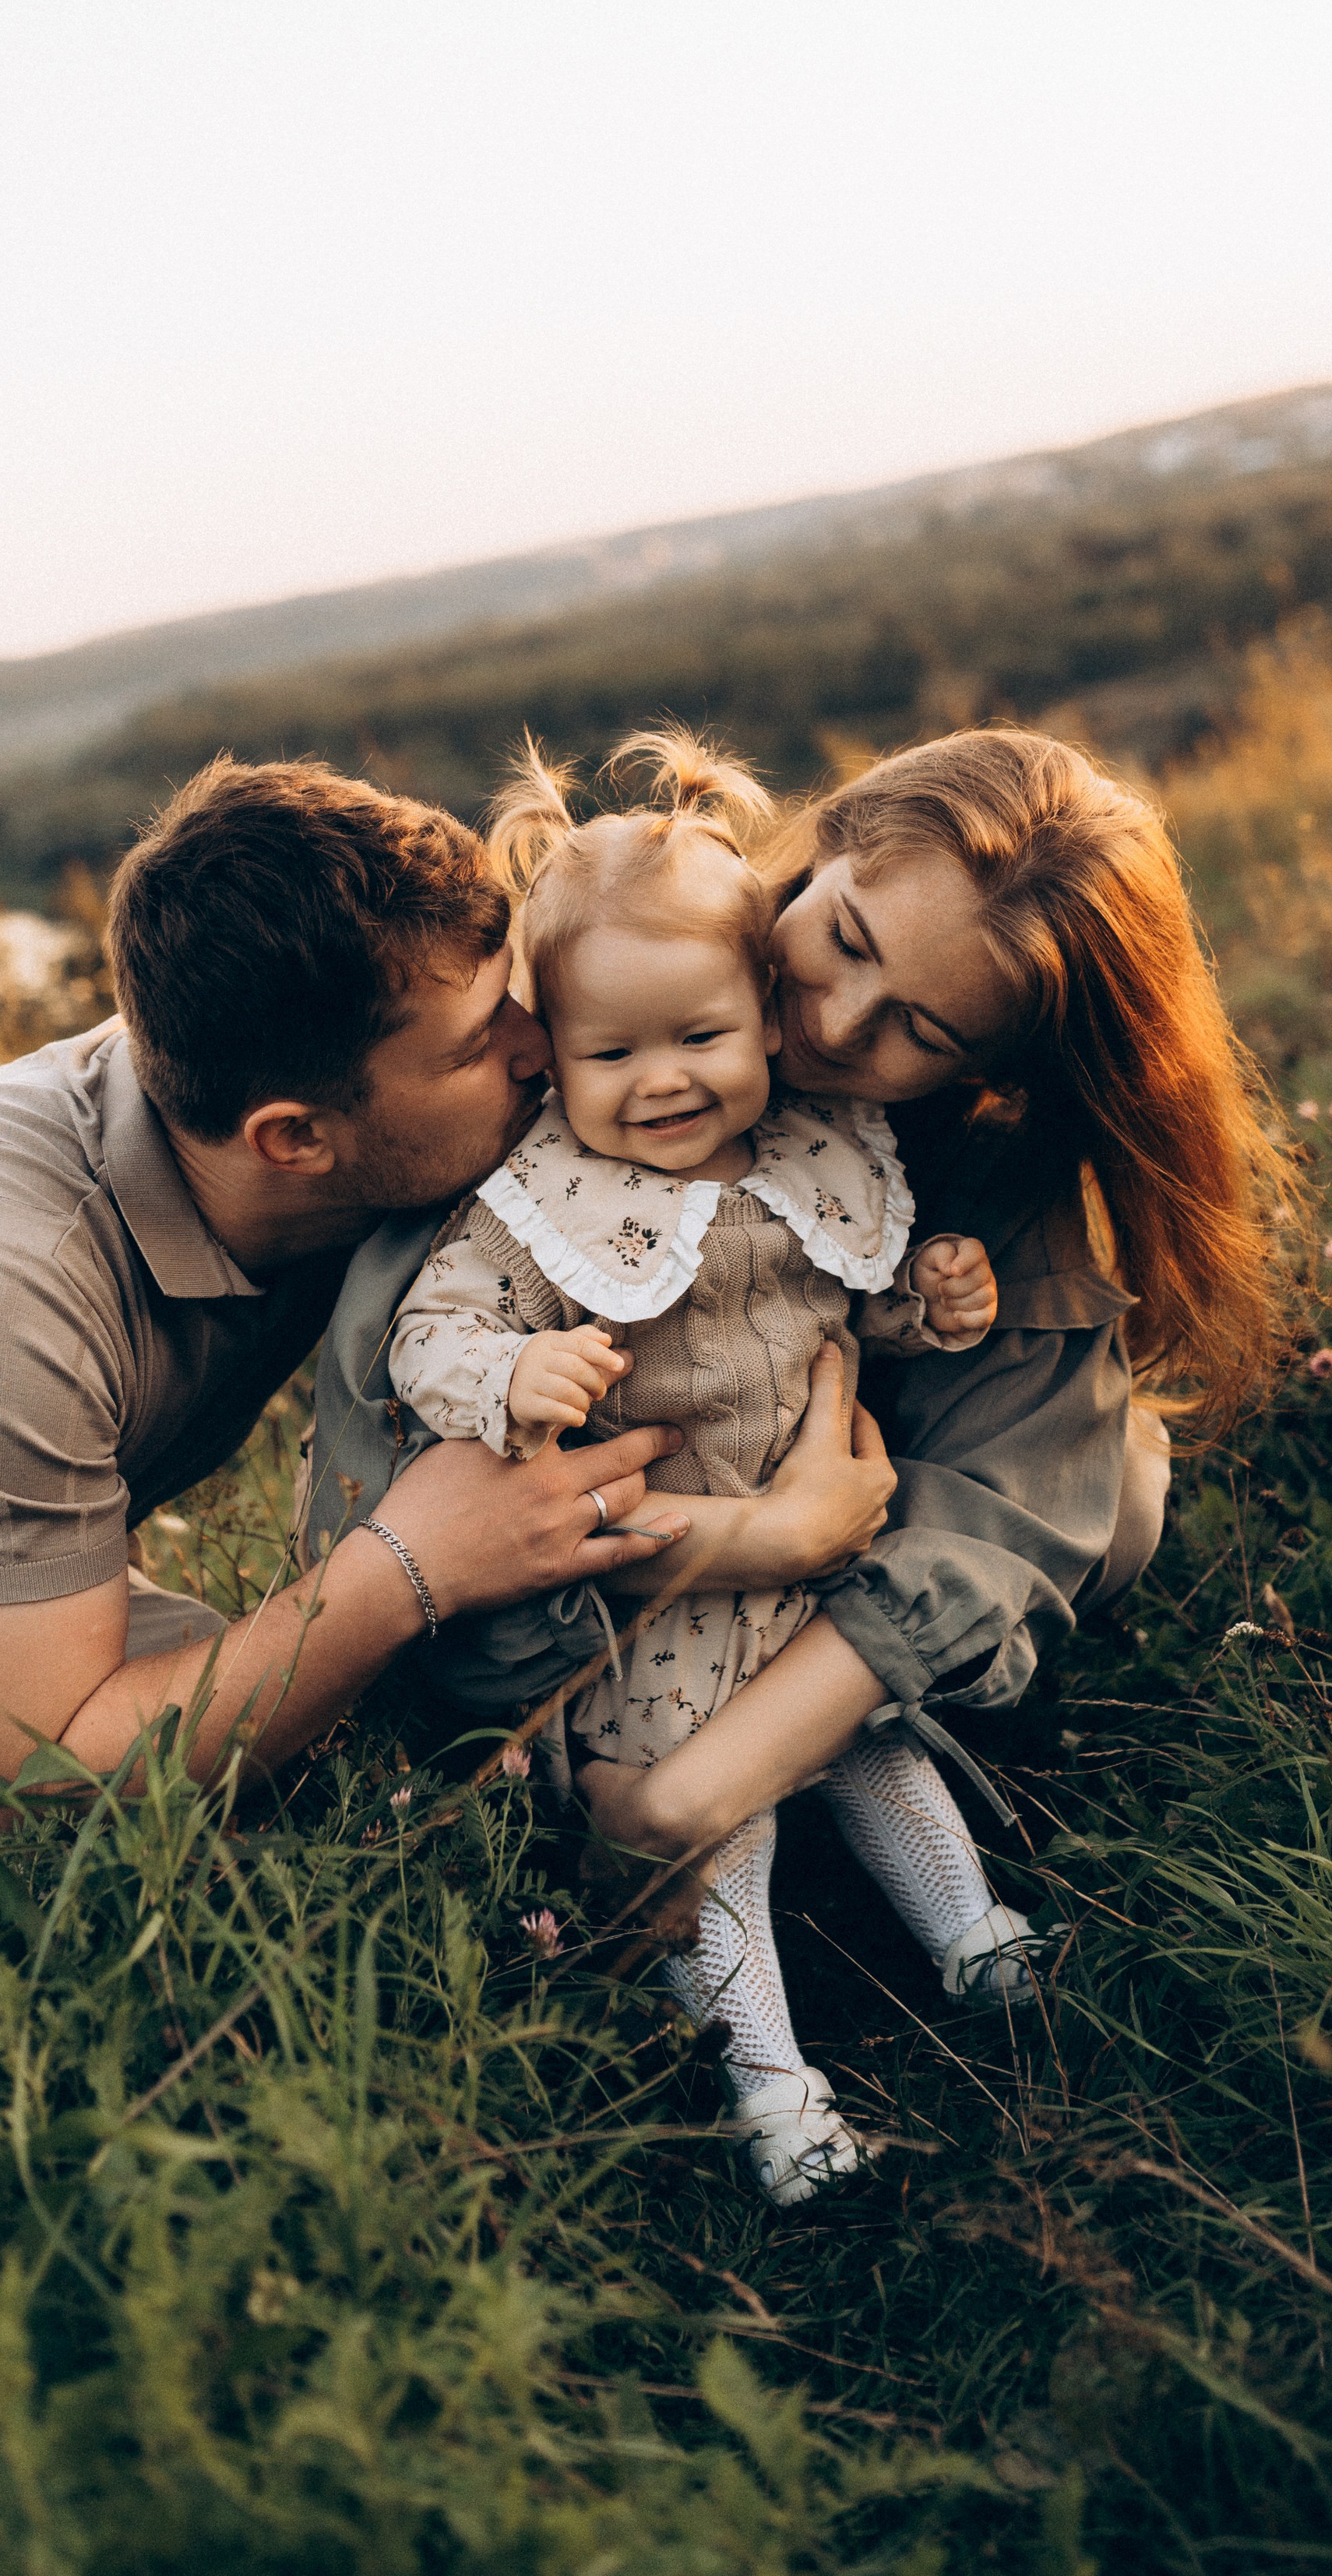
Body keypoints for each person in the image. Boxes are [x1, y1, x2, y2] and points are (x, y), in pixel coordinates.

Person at [0, 755, 747, 2103]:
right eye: (477, 1044)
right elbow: (51, 1767)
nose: (538, 1045)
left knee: (365, 1851)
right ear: (294, 1139)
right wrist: (410, 1566)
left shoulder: (355, 1123)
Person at [308, 725, 1299, 2173]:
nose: (831, 1025)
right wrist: (757, 1538)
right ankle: (764, 2057)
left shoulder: (944, 1152)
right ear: (824, 843)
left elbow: (1009, 1499)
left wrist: (683, 1804)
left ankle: (895, 1880)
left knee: (1110, 1480)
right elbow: (406, 1462)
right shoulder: (614, 1019)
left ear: (995, 1066)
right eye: (838, 938)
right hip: (560, 1601)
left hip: (789, 1593)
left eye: (921, 1030)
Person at [383, 732, 1003, 2203]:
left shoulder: (814, 1150)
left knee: (880, 1755)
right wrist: (512, 1372)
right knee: (715, 1846)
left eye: (700, 1039)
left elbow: (860, 1310)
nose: (661, 1082)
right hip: (659, 1606)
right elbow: (430, 1335)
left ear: (765, 1020)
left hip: (811, 1586)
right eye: (611, 1054)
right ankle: (773, 2087)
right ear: (551, 1046)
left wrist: (932, 1299)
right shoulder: (540, 1199)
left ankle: (982, 1947)